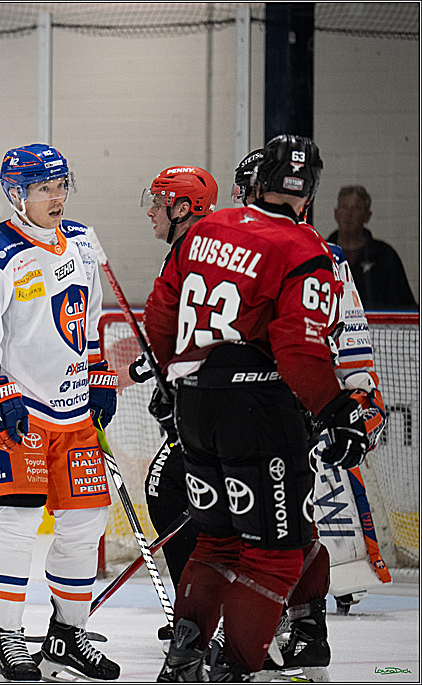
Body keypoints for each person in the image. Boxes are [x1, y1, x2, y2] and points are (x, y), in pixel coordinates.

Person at [144, 135, 370, 681]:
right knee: (276, 551)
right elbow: (300, 347)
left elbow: (159, 313)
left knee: (217, 539)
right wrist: (337, 410)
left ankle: (184, 660)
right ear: (309, 191)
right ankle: (235, 668)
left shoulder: (205, 229)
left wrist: (175, 376)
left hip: (197, 407)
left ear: (255, 180)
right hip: (261, 409)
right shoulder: (305, 248)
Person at [0, 143, 120, 682]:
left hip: (73, 413)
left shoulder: (86, 242)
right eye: (44, 188)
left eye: (61, 185)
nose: (57, 197)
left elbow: (89, 317)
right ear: (16, 194)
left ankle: (66, 639)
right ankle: (8, 642)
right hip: (17, 410)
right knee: (18, 524)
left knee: (85, 525)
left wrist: (100, 373)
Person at [226, 150, 390, 681]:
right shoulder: (299, 251)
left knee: (273, 530)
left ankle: (287, 629)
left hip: (281, 410)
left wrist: (355, 406)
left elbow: (352, 348)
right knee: (285, 527)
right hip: (266, 408)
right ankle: (301, 628)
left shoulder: (316, 255)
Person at [133, 166, 218, 617]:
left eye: (158, 202)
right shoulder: (197, 248)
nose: (151, 211)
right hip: (207, 397)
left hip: (212, 401)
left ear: (182, 208)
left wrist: (178, 380)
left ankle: (199, 613)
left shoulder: (195, 252)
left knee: (167, 489)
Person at [326, 185, 417, 311]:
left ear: (367, 216)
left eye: (356, 208)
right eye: (344, 207)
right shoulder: (321, 253)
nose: (349, 214)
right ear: (336, 214)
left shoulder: (385, 256)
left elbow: (407, 307)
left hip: (376, 328)